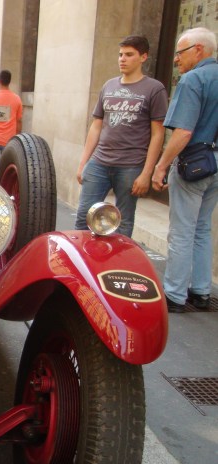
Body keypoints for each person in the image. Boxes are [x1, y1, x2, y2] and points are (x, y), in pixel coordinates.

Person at [151, 27, 218, 313]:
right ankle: (201, 292)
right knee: (202, 228)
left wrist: (161, 166)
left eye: (180, 53)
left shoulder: (194, 80)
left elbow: (183, 132)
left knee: (181, 230)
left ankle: (175, 294)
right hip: (215, 164)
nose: (176, 59)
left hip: (195, 163)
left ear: (199, 50)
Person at [74, 35, 167, 238]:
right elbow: (96, 126)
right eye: (120, 54)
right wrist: (84, 163)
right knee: (83, 217)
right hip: (99, 162)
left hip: (131, 165)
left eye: (129, 55)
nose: (122, 59)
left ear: (143, 57)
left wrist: (146, 173)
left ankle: (117, 265)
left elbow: (158, 134)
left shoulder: (154, 89)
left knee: (123, 223)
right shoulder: (109, 86)